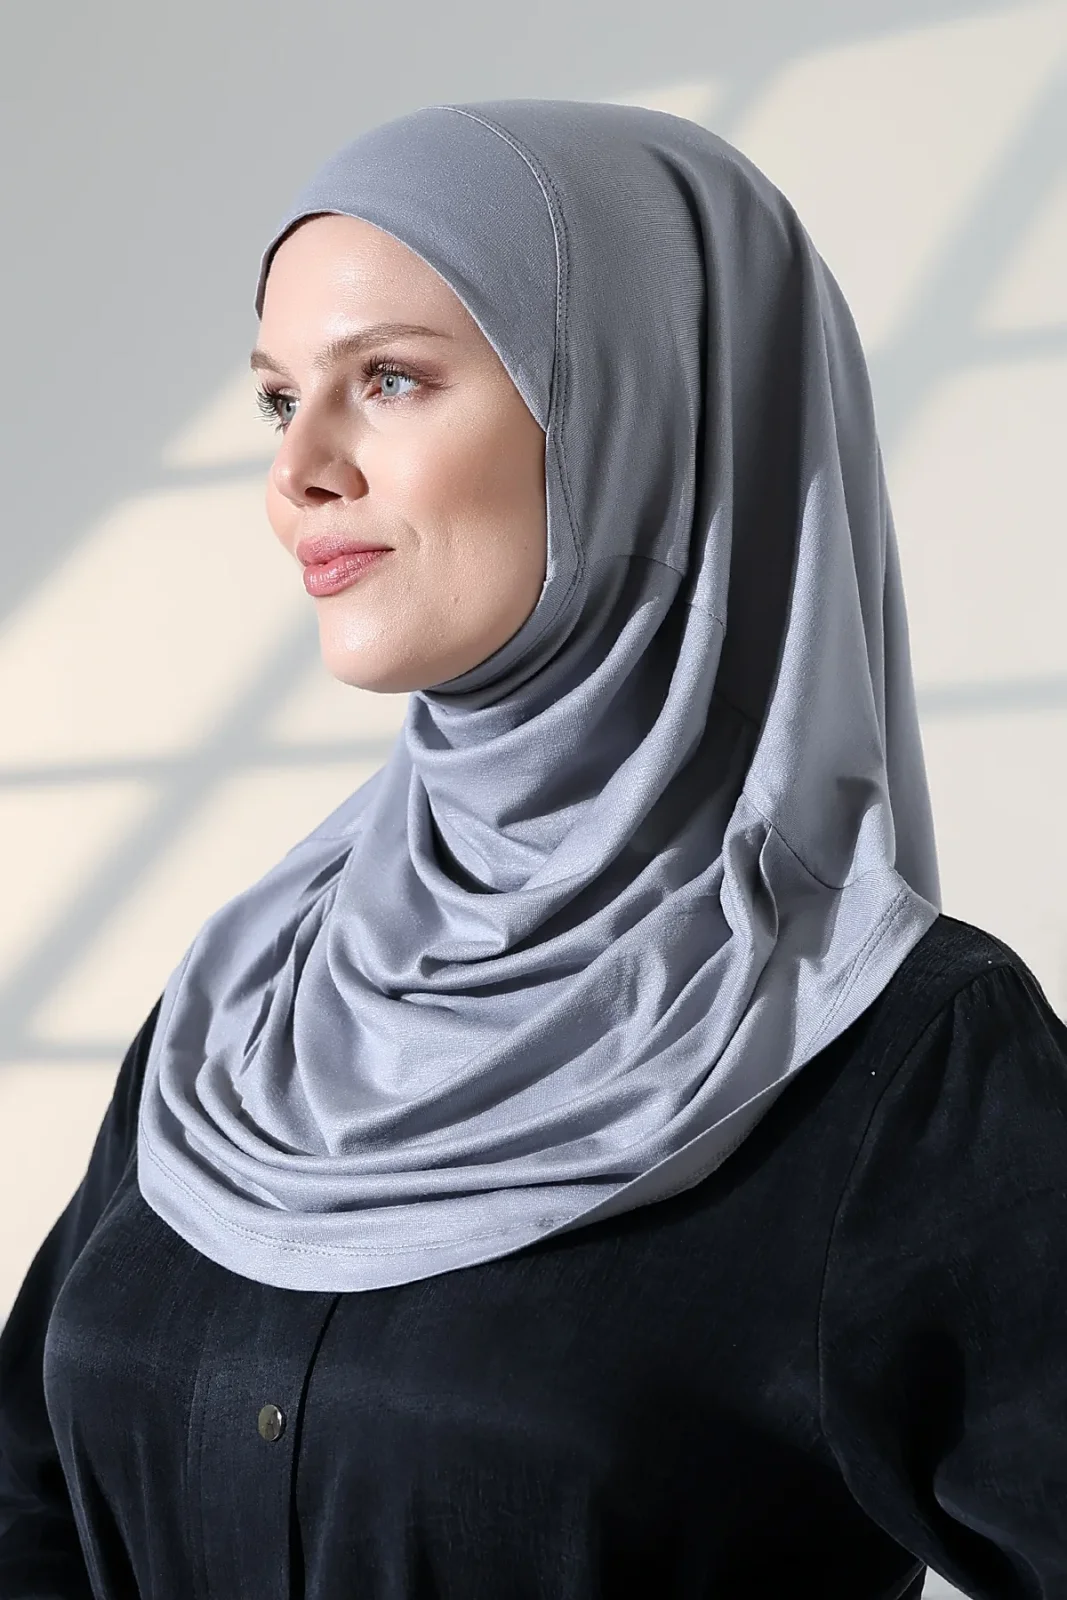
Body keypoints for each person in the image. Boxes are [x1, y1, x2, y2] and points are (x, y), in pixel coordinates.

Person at [0, 98, 1064, 1600]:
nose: (298, 472)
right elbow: (25, 1506)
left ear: (643, 412)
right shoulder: (251, 1000)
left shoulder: (900, 1059)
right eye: (278, 398)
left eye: (389, 379)